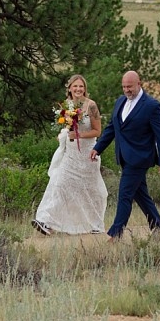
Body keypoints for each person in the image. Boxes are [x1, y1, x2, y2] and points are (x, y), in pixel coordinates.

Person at [90, 70, 160, 241]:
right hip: (124, 157)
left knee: (125, 194)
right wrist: (98, 147)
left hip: (141, 158)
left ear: (139, 84)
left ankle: (116, 234)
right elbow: (112, 127)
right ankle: (159, 227)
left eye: (130, 87)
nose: (127, 90)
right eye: (124, 87)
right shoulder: (120, 102)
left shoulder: (151, 105)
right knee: (141, 194)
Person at [32, 75, 107, 236]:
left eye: (81, 86)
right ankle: (46, 221)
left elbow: (97, 131)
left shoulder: (91, 106)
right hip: (71, 153)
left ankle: (96, 224)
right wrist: (64, 134)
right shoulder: (66, 105)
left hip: (88, 153)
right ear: (70, 88)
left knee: (90, 190)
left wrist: (78, 135)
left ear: (85, 89)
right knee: (59, 183)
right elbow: (68, 127)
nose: (78, 89)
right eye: (75, 86)